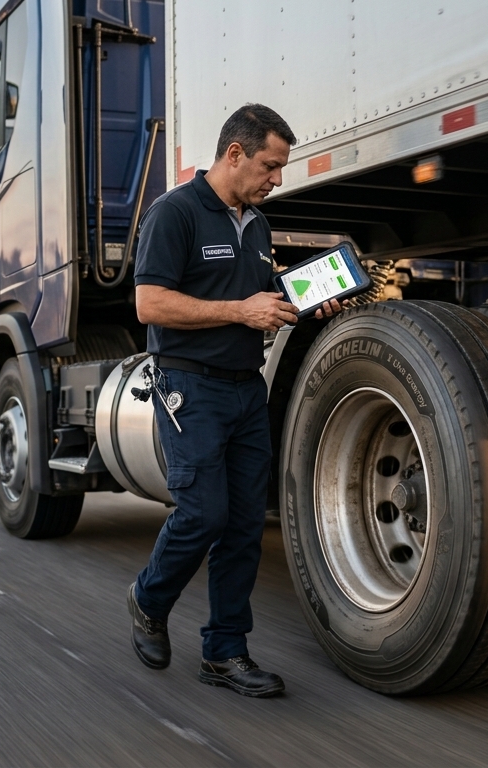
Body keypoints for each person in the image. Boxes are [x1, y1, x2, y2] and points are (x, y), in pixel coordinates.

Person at [126, 103, 342, 698]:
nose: (276, 179)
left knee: (247, 526)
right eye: (270, 166)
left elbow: (255, 295)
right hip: (188, 385)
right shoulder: (174, 213)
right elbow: (150, 305)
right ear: (235, 153)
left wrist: (299, 299)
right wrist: (241, 311)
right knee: (203, 514)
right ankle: (148, 597)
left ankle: (225, 654)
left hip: (248, 388)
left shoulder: (257, 223)